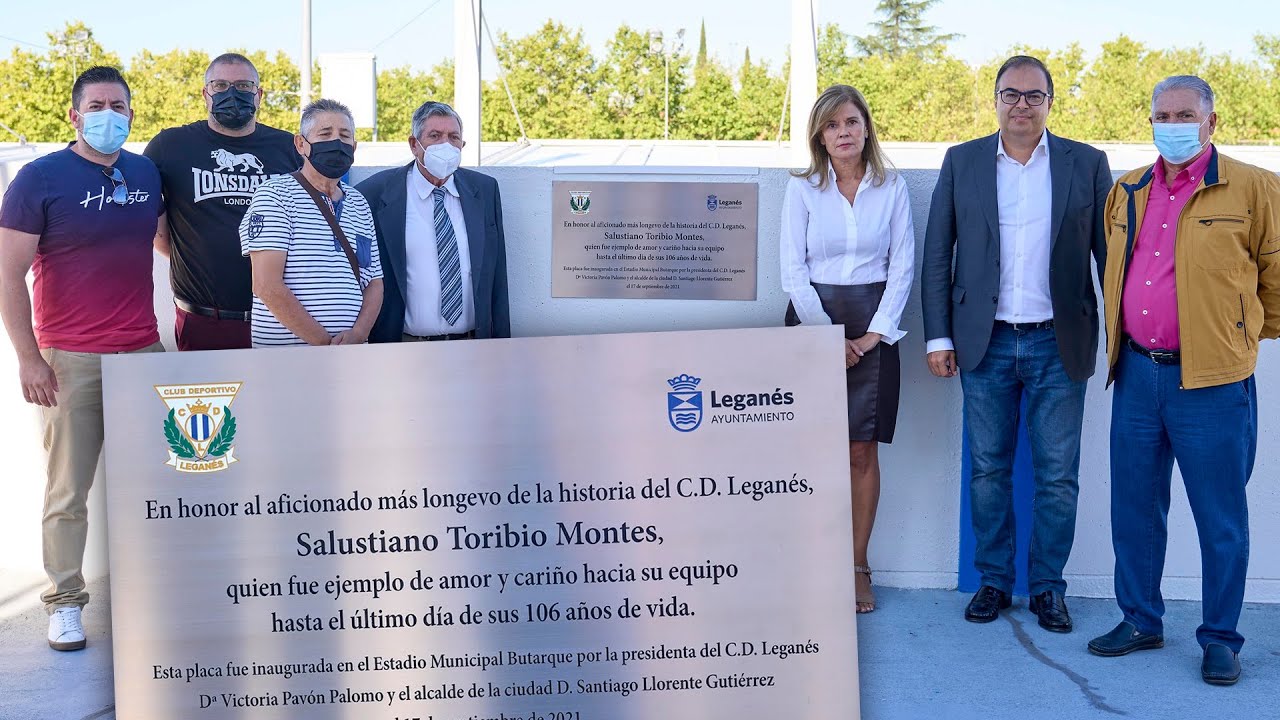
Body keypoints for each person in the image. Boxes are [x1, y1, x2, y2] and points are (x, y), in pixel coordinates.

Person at [1087, 75, 1279, 686]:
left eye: (1185, 115)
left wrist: (1235, 338)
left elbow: (1275, 282)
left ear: (1211, 122)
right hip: (1137, 374)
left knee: (1220, 518)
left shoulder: (1254, 188)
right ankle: (1140, 619)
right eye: (1162, 115)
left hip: (1212, 385)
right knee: (1135, 509)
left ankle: (1221, 637)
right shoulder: (1128, 190)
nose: (1172, 125)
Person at [921, 55, 1112, 632]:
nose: (1021, 104)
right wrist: (938, 336)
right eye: (1011, 94)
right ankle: (994, 581)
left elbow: (1111, 259)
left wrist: (1122, 337)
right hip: (986, 342)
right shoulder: (962, 161)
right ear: (996, 100)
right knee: (988, 470)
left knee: (1058, 476)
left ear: (1050, 102)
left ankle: (1048, 587)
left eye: (1033, 95)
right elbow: (938, 254)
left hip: (1060, 341)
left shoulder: (1087, 163)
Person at [0, 66, 165, 650]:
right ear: (74, 115)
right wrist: (29, 358)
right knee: (68, 491)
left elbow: (165, 240)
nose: (108, 115)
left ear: (131, 114)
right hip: (70, 359)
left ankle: (153, 594)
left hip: (144, 353)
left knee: (156, 480)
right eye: (96, 105)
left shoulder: (145, 172)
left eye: (118, 105)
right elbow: (8, 275)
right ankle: (66, 602)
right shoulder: (39, 178)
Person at [780, 84, 914, 614]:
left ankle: (858, 566)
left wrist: (872, 335)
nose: (843, 132)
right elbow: (793, 270)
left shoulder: (892, 187)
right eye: (832, 125)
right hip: (813, 322)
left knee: (861, 451)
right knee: (811, 451)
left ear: (866, 128)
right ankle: (812, 567)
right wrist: (826, 336)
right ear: (820, 135)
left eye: (852, 122)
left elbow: (902, 266)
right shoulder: (802, 190)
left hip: (875, 326)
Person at [144, 52, 301, 350]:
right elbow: (152, 222)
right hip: (203, 320)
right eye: (220, 86)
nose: (232, 94)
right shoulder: (170, 145)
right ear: (206, 94)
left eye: (243, 86)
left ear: (259, 95)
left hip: (281, 318)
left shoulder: (289, 148)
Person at [357, 101, 510, 342]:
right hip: (402, 347)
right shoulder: (374, 193)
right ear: (414, 145)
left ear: (462, 145)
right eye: (435, 136)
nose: (445, 145)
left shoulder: (484, 190)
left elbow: (497, 275)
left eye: (453, 137)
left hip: (472, 345)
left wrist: (502, 343)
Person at [238, 99, 383, 347]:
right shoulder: (275, 195)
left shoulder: (359, 202)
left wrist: (359, 334)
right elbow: (266, 284)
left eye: (344, 136)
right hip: (287, 356)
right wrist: (325, 345)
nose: (336, 143)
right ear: (300, 144)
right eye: (325, 134)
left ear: (354, 146)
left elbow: (374, 282)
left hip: (351, 354)